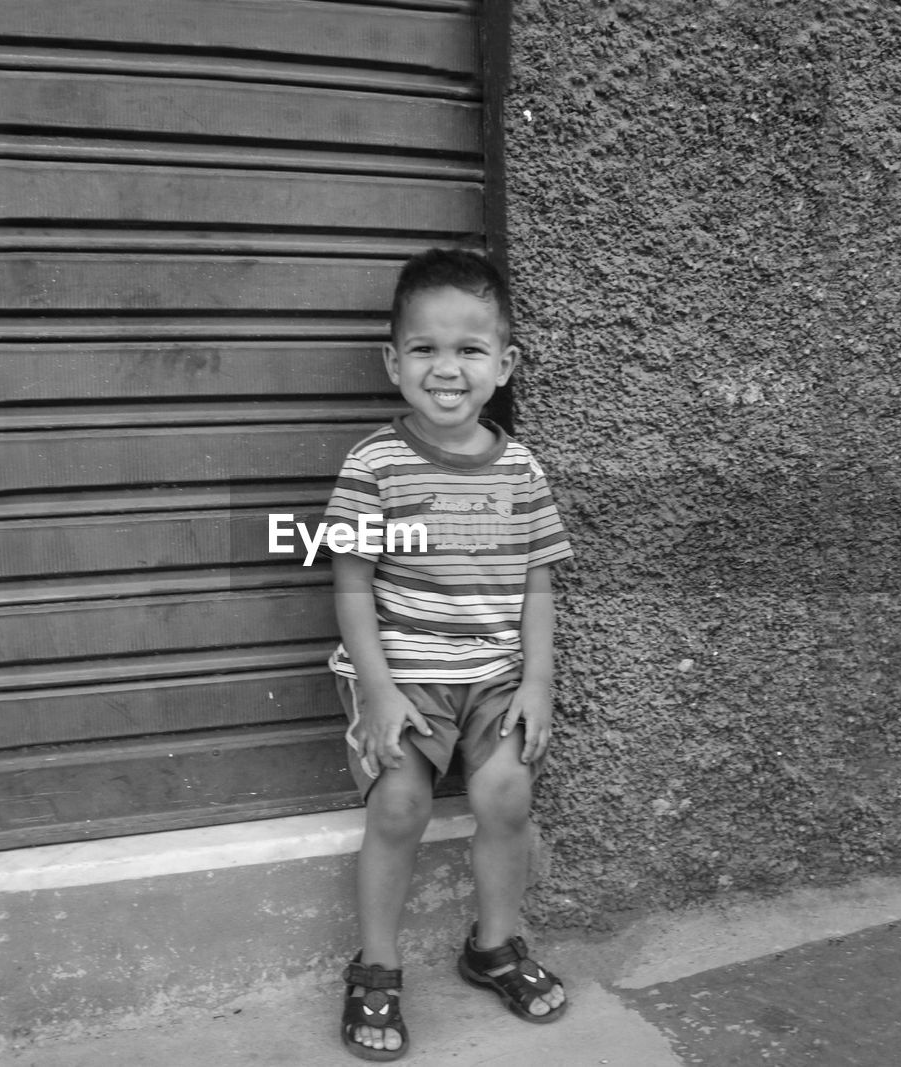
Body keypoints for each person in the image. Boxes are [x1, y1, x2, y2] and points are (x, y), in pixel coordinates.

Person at [324, 248, 573, 1060]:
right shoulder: (374, 464)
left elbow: (539, 584)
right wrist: (379, 687)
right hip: (404, 678)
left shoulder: (524, 469)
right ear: (393, 361)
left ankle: (494, 944)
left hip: (496, 677)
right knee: (399, 806)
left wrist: (537, 679)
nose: (447, 368)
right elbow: (352, 586)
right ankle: (377, 965)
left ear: (505, 363)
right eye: (425, 348)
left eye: (469, 349)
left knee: (506, 797)